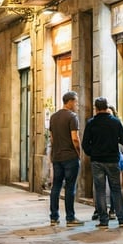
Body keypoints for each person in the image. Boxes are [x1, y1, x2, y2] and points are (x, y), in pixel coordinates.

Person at [82, 97, 123, 228]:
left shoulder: (91, 123)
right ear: (107, 107)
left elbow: (85, 144)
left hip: (97, 161)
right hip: (112, 160)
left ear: (96, 108)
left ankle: (103, 220)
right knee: (116, 189)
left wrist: (92, 153)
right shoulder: (115, 122)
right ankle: (122, 219)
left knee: (100, 190)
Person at [48, 91, 83, 226]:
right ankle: (70, 218)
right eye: (76, 102)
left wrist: (55, 151)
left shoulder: (54, 117)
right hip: (70, 157)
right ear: (70, 102)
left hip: (57, 156)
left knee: (56, 186)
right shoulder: (72, 117)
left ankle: (54, 217)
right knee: (70, 187)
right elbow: (75, 138)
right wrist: (78, 152)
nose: (77, 105)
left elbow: (52, 138)